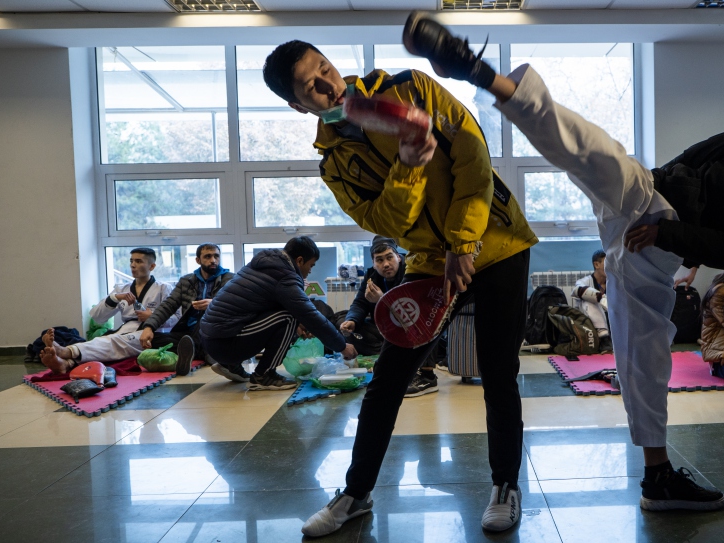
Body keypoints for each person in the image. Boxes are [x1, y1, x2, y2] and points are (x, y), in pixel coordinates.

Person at [402, 10, 724, 511]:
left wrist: (669, 232)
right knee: (592, 149)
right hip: (644, 195)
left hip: (657, 247)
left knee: (643, 356)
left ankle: (657, 478)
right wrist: (655, 195)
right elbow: (689, 159)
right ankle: (476, 69)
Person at [262, 39, 537, 536]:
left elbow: (473, 155)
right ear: (297, 105)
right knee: (388, 378)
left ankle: (505, 485)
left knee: (498, 371)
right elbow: (386, 219)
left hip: (497, 240)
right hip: (431, 261)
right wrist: (408, 165)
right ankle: (356, 494)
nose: (329, 84)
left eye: (325, 68)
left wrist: (464, 241)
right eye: (311, 86)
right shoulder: (334, 164)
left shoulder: (408, 87)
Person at [200, 236, 358, 391]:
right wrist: (342, 346)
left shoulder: (265, 265)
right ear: (300, 260)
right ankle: (263, 376)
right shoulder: (285, 276)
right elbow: (311, 316)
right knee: (289, 317)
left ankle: (230, 365)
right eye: (311, 265)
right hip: (224, 343)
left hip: (212, 340)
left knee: (291, 315)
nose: (310, 270)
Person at [40, 247, 183, 374]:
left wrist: (153, 317)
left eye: (139, 261)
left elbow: (177, 318)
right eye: (131, 261)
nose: (133, 265)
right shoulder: (121, 289)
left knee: (113, 342)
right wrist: (114, 298)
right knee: (107, 343)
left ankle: (67, 352)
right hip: (126, 330)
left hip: (151, 334)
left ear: (152, 266)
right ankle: (65, 364)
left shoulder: (163, 288)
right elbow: (97, 317)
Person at [340, 236, 440, 397]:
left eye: (389, 257)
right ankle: (390, 355)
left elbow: (413, 310)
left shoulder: (411, 270)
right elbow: (360, 303)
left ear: (398, 257)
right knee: (344, 323)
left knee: (429, 322)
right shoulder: (371, 276)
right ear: (373, 263)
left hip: (411, 328)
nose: (385, 264)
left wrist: (382, 299)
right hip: (385, 331)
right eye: (379, 260)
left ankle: (427, 377)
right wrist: (351, 320)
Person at [138, 244, 235, 379]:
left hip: (216, 330)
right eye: (208, 256)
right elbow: (168, 305)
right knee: (153, 339)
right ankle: (202, 352)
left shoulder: (230, 279)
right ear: (198, 260)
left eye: (216, 256)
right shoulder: (187, 281)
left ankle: (193, 351)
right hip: (189, 332)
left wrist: (214, 304)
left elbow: (237, 304)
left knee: (205, 317)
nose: (213, 260)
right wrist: (149, 326)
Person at [571, 249, 612, 352]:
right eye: (607, 263)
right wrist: (599, 297)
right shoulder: (585, 281)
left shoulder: (613, 282)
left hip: (610, 318)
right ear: (596, 265)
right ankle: (604, 339)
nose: (611, 266)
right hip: (589, 320)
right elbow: (576, 290)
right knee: (589, 301)